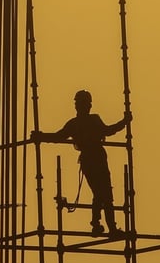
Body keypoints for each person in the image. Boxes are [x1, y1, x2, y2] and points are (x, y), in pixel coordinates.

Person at [32, 90, 132, 236]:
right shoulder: (88, 121)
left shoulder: (76, 123)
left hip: (91, 160)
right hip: (95, 159)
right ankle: (108, 227)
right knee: (105, 194)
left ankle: (97, 224)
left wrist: (41, 136)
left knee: (99, 193)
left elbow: (58, 137)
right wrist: (124, 122)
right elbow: (108, 131)